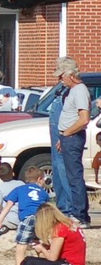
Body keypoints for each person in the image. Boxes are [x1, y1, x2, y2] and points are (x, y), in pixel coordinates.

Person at [0, 203, 87, 265]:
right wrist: (45, 247)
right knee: (28, 260)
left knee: (31, 264)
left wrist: (41, 248)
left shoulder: (60, 229)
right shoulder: (69, 224)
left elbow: (52, 258)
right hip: (68, 264)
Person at [50, 56, 91, 225]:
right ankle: (78, 213)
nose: (61, 80)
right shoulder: (70, 91)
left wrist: (66, 133)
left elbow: (84, 119)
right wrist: (63, 137)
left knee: (74, 178)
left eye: (62, 76)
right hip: (67, 137)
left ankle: (79, 215)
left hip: (73, 137)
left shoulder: (80, 90)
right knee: (70, 175)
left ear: (71, 75)